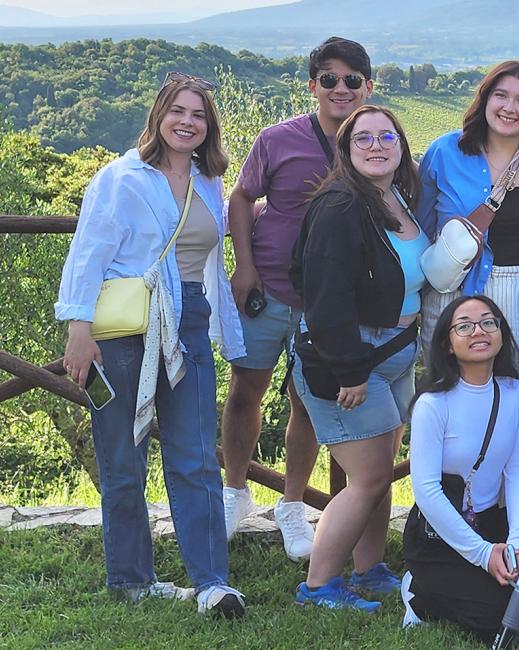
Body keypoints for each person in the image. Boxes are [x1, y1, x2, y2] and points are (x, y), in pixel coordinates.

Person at [56, 72, 247, 617]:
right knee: (123, 458)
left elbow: (212, 250)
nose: (187, 122)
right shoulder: (121, 178)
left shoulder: (211, 182)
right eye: (178, 111)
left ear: (209, 126)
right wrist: (78, 329)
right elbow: (88, 251)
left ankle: (212, 583)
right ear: (159, 115)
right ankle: (131, 579)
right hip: (121, 330)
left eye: (199, 114)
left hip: (187, 321)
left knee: (194, 455)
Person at [221, 36, 375, 560]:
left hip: (328, 302)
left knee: (309, 403)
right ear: (312, 86)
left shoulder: (375, 143)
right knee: (245, 390)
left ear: (367, 88)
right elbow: (242, 197)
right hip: (267, 286)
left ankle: (292, 507)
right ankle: (235, 492)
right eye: (329, 79)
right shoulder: (277, 139)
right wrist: (243, 266)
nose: (340, 89)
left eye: (352, 80)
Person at [290, 104, 427, 611]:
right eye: (363, 138)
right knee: (367, 477)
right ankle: (320, 585)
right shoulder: (341, 205)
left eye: (386, 137)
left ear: (401, 146)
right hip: (350, 361)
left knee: (380, 470)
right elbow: (325, 299)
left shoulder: (394, 196)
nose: (376, 146)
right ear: (345, 150)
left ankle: (369, 571)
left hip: (393, 357)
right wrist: (349, 368)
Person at [416, 60, 519, 498]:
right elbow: (421, 228)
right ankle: (458, 532)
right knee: (460, 417)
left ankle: (514, 531)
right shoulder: (445, 153)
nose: (510, 107)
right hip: (460, 297)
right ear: (484, 99)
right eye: (501, 95)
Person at [400, 295, 519, 639]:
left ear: (501, 333)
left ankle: (488, 578)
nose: (479, 331)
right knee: (495, 618)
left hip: (489, 521)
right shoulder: (432, 404)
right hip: (437, 536)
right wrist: (483, 553)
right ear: (447, 343)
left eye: (488, 322)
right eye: (464, 325)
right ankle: (419, 591)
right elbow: (427, 492)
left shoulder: (514, 392)